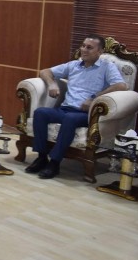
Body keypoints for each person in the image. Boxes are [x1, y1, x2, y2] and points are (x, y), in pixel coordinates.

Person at [25, 34, 127, 179]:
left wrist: (94, 98)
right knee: (41, 113)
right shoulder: (73, 65)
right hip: (65, 109)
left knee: (70, 119)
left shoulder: (107, 67)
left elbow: (121, 86)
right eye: (83, 46)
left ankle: (54, 163)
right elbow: (45, 71)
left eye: (89, 47)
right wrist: (52, 84)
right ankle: (42, 158)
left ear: (100, 51)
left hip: (85, 114)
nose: (84, 50)